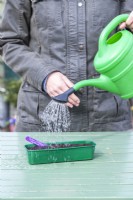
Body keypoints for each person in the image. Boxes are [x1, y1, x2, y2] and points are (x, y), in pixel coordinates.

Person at [0, 0, 133, 132]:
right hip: (41, 118)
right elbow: (9, 41)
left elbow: (127, 34)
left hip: (109, 120)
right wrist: (45, 75)